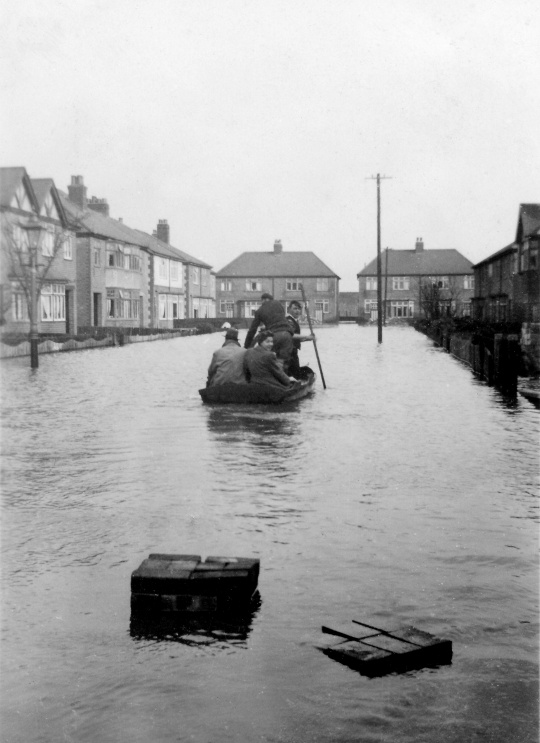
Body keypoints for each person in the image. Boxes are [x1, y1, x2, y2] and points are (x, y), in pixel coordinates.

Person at [244, 293, 294, 372]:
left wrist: (247, 346)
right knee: (282, 362)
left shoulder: (259, 311)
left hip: (274, 335)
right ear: (271, 299)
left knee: (269, 361)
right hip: (287, 335)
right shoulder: (278, 304)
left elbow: (252, 330)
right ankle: (285, 380)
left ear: (263, 300)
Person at [286, 300, 315, 378]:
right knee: (294, 373)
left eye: (299, 309)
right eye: (295, 309)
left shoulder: (294, 321)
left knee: (294, 372)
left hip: (293, 351)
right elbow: (290, 335)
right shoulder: (289, 321)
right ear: (288, 309)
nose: (297, 311)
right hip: (289, 352)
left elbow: (296, 339)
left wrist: (308, 339)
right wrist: (306, 337)